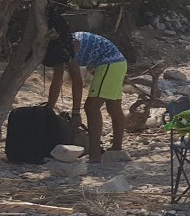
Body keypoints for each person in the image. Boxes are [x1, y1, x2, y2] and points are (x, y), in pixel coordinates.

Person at [43, 30, 128, 162]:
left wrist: (76, 113)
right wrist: (49, 107)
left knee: (91, 107)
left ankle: (94, 154)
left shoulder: (69, 48)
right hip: (119, 63)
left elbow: (77, 82)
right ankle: (116, 149)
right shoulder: (62, 46)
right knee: (113, 107)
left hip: (110, 63)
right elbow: (57, 80)